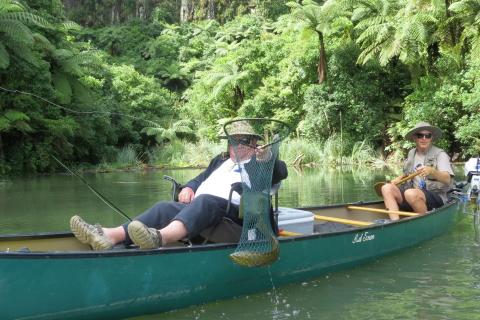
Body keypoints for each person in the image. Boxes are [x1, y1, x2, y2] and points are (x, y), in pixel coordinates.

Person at [70, 121, 288, 250]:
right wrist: (189, 188)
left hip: (239, 222)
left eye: (242, 140)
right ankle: (109, 235)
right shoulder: (220, 161)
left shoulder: (261, 163)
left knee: (206, 202)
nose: (236, 145)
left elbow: (281, 171)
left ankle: (159, 237)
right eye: (233, 140)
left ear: (253, 143)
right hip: (202, 210)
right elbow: (199, 179)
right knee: (164, 207)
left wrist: (266, 157)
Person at [381, 122, 454, 220]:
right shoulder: (411, 153)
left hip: (436, 196)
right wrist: (397, 180)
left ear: (431, 138)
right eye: (420, 135)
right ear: (415, 138)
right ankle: (395, 223)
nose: (424, 138)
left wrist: (432, 171)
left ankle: (423, 222)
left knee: (410, 193)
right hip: (412, 194)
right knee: (386, 188)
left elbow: (447, 179)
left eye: (427, 136)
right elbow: (407, 174)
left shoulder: (440, 155)